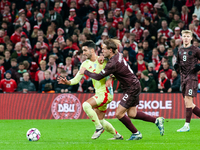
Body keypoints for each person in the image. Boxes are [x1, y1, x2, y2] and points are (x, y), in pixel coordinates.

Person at [79, 39, 164, 140]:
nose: (102, 51)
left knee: (119, 114)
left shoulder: (112, 64)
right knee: (132, 114)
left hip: (131, 87)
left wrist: (85, 71)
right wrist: (104, 59)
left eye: (104, 50)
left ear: (110, 50)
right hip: (133, 85)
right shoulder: (117, 54)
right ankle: (156, 121)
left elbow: (98, 77)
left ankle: (136, 133)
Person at [58, 40, 123, 140]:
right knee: (100, 120)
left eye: (85, 50)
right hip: (99, 94)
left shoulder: (104, 60)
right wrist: (67, 82)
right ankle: (117, 136)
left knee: (86, 105)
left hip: (106, 93)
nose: (83, 53)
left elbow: (117, 70)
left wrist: (111, 78)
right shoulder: (85, 64)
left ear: (92, 50)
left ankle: (98, 129)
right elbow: (76, 79)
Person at [174, 30, 200, 132]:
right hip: (183, 78)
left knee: (188, 100)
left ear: (191, 38)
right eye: (184, 36)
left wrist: (199, 66)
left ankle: (186, 125)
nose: (185, 38)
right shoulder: (179, 50)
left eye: (187, 36)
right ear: (181, 37)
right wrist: (176, 66)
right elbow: (178, 63)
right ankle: (186, 125)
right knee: (189, 103)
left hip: (192, 78)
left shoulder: (195, 49)